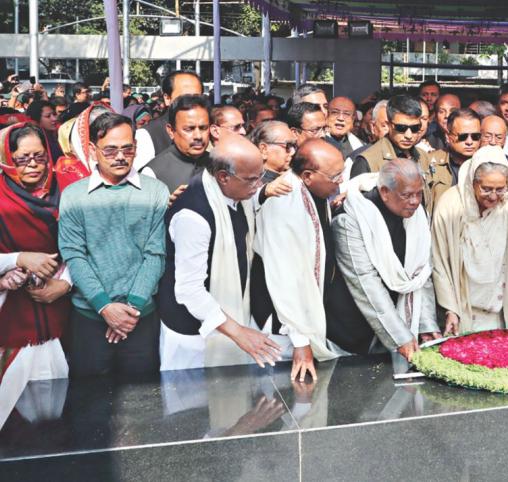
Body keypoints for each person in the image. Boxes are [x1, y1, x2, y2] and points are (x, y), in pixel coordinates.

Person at [158, 134, 282, 370]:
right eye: (252, 180)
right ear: (223, 177)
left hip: (229, 320)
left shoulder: (235, 191)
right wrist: (238, 332)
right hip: (191, 335)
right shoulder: (193, 216)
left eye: (261, 177)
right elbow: (189, 290)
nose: (258, 186)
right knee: (190, 403)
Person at [58, 113, 169, 377]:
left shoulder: (155, 191)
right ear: (94, 151)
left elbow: (156, 254)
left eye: (127, 149)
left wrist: (130, 309)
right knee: (89, 402)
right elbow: (74, 256)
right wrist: (105, 307)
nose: (120, 156)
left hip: (141, 316)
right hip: (90, 318)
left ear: (135, 149)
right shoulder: (74, 195)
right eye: (110, 150)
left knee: (143, 404)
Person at [252, 139, 346, 381]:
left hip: (308, 317)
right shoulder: (284, 201)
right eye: (335, 176)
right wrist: (300, 341)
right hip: (285, 332)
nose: (341, 181)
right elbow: (284, 277)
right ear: (307, 175)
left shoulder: (314, 191)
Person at [330, 160, 441, 359]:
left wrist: (425, 324)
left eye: (418, 193)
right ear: (384, 192)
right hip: (352, 328)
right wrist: (400, 337)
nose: (415, 201)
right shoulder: (352, 218)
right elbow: (364, 281)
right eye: (407, 195)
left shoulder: (417, 214)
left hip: (395, 324)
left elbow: (421, 272)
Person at [432, 146, 508, 334]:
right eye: (486, 189)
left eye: (500, 189)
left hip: (503, 314)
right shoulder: (451, 206)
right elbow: (440, 262)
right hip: (464, 311)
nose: (493, 196)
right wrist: (450, 309)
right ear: (472, 182)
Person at [0, 123, 71, 421]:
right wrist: (17, 260)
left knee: (59, 412)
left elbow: (88, 248)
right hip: (11, 320)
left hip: (63, 315)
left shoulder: (67, 190)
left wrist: (65, 283)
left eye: (40, 157)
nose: (32, 165)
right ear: (6, 157)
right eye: (22, 158)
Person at [145, 94, 211, 195]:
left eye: (203, 128)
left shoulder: (219, 164)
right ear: (171, 131)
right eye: (189, 129)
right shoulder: (153, 173)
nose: (198, 136)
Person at [136, 71, 204, 167]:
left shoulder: (211, 131)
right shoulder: (147, 135)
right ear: (167, 98)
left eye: (197, 97)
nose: (191, 103)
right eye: (184, 97)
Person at [351, 95, 427, 177]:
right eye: (401, 128)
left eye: (414, 128)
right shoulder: (367, 161)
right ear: (389, 125)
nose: (408, 135)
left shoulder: (423, 157)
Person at [422, 108, 481, 215]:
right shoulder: (430, 163)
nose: (469, 142)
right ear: (448, 137)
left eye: (475, 136)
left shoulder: (486, 165)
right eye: (463, 136)